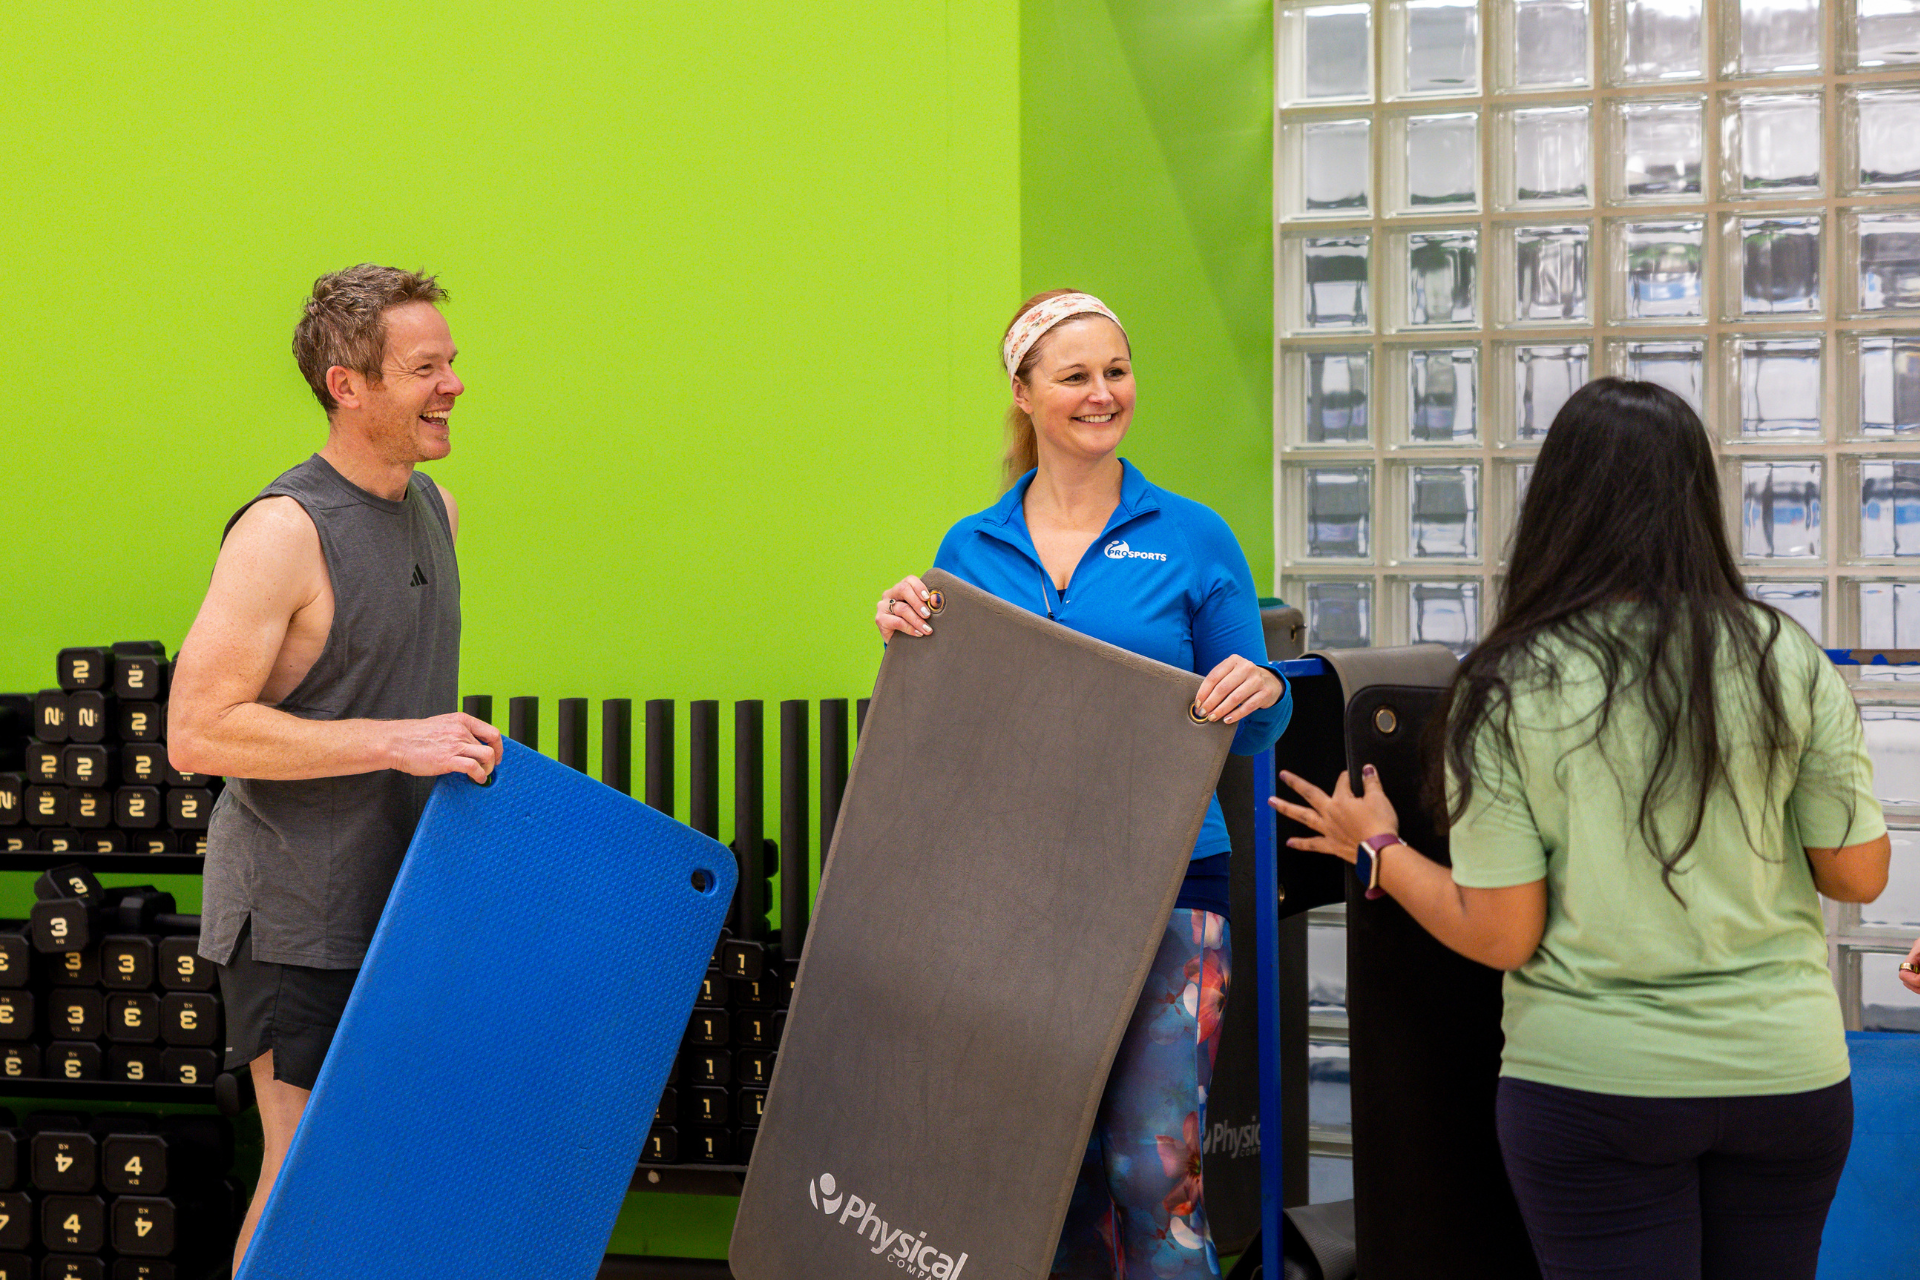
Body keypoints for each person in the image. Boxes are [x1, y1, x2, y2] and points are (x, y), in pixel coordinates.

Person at [1271, 377, 1891, 1280]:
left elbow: (1502, 930)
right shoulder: (1780, 654)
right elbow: (1857, 874)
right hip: (1784, 1078)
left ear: (1558, 504)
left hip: (1598, 1089)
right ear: (1697, 500)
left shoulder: (1511, 682)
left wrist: (1380, 849)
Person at [877, 289, 1293, 1279]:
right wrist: (901, 633)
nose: (1103, 393)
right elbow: (944, 725)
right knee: (1035, 1174)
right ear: (1024, 393)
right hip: (1013, 902)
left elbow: (1261, 719)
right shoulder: (969, 550)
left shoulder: (1193, 538)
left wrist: (1263, 683)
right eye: (1075, 375)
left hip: (1167, 889)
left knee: (1153, 1172)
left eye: (1117, 369)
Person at [168, 264, 503, 1269]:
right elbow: (198, 730)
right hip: (295, 913)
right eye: (424, 368)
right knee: (308, 1164)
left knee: (389, 1160)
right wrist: (401, 738)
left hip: (401, 899)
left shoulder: (432, 508)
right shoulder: (283, 530)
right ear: (346, 386)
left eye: (450, 363)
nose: (451, 385)